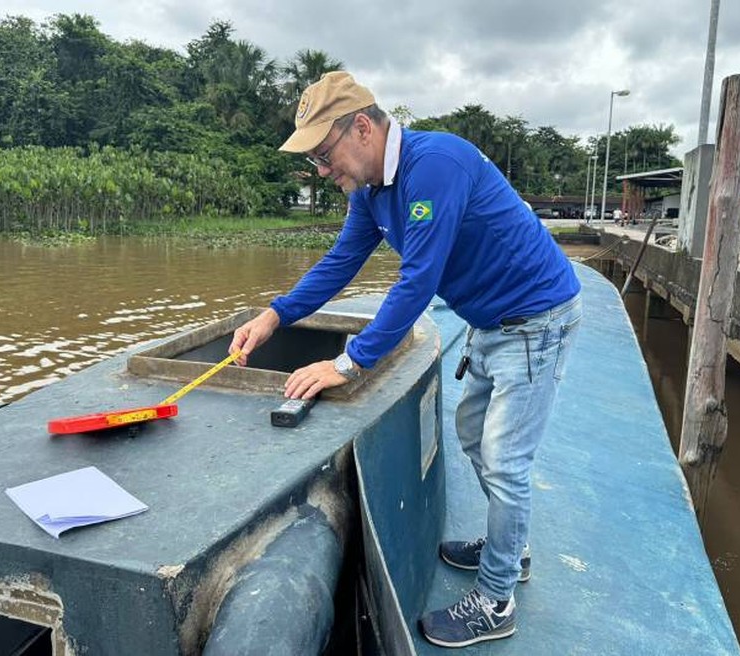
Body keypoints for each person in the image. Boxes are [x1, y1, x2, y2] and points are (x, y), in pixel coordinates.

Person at [228, 71, 582, 648]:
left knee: (504, 458)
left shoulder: (436, 166)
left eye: (324, 154)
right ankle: (507, 546)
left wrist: (346, 365)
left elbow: (417, 281)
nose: (322, 170)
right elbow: (342, 261)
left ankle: (496, 600)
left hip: (536, 321)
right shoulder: (369, 190)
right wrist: (275, 315)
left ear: (361, 128)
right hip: (492, 322)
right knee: (472, 434)